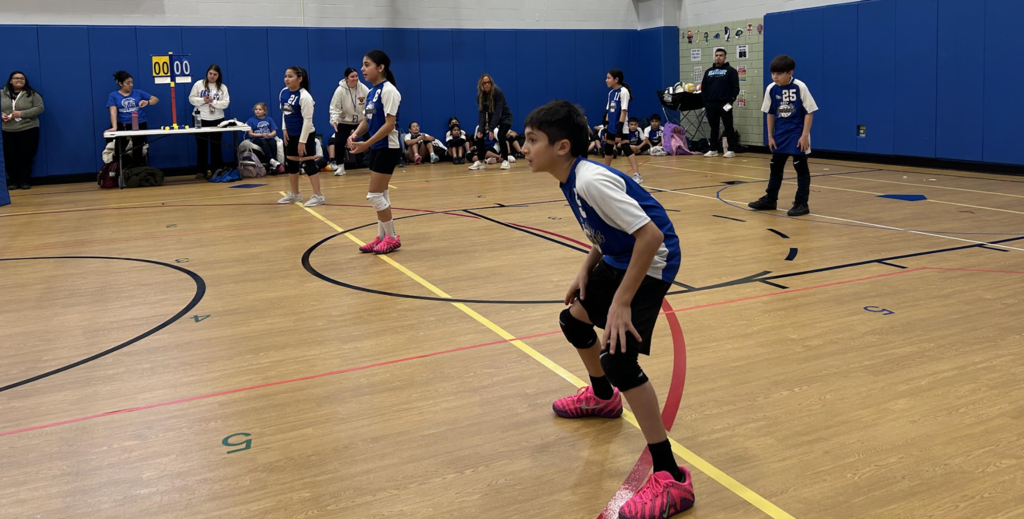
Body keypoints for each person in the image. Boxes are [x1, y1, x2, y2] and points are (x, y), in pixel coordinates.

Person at [522, 100, 694, 519]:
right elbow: (604, 231)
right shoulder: (570, 178)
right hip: (620, 257)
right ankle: (602, 399)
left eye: (531, 140)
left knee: (618, 361)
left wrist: (620, 302)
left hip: (651, 263)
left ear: (561, 146)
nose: (522, 146)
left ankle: (671, 477)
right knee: (573, 320)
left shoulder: (590, 180)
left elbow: (650, 237)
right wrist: (585, 269)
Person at [748, 55, 818, 217]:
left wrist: (805, 135)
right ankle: (770, 199)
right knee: (775, 167)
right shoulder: (771, 88)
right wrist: (770, 136)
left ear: (790, 73)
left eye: (779, 74)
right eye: (773, 73)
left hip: (797, 133)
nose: (775, 77)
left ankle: (802, 203)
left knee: (800, 167)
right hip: (780, 134)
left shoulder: (800, 87)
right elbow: (770, 113)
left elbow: (809, 112)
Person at [348, 50, 403, 255]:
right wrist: (355, 135)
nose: (362, 69)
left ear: (381, 67)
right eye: (362, 64)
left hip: (388, 148)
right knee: (382, 193)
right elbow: (367, 121)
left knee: (374, 196)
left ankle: (392, 237)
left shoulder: (389, 91)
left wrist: (366, 144)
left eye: (367, 64)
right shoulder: (372, 92)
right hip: (378, 148)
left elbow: (389, 125)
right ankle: (381, 237)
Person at [275, 66, 325, 207]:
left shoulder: (305, 97)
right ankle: (295, 194)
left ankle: (318, 195)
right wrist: (284, 129)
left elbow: (308, 121)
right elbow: (285, 113)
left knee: (307, 162)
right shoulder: (283, 93)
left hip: (305, 134)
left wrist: (302, 142)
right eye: (285, 76)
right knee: (291, 162)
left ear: (300, 79)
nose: (287, 79)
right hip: (290, 134)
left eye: (290, 76)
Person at [106, 71, 159, 169]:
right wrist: (114, 127)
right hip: (123, 124)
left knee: (138, 148)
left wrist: (148, 102)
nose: (130, 85)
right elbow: (113, 112)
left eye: (132, 82)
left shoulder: (138, 92)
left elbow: (155, 99)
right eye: (127, 83)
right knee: (119, 150)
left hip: (139, 123)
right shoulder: (113, 95)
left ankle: (137, 171)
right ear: (120, 83)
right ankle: (121, 170)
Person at [1, 71, 44, 190]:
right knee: (10, 157)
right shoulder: (1, 93)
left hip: (28, 129)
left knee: (26, 156)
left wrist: (22, 114)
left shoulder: (32, 94)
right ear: (10, 80)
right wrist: (2, 114)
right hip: (8, 130)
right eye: (16, 78)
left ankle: (25, 181)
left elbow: (39, 108)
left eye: (22, 79)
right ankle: (13, 181)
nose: (19, 80)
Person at [189, 64, 230, 178]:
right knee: (201, 145)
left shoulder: (222, 87)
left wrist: (213, 102)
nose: (212, 76)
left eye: (215, 74)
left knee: (215, 145)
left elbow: (225, 103)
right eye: (210, 73)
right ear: (207, 73)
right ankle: (201, 171)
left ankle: (216, 169)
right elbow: (191, 99)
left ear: (218, 75)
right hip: (200, 118)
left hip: (217, 119)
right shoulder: (199, 84)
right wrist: (203, 100)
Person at [603, 69, 642, 184]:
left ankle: (637, 174)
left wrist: (619, 131)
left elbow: (623, 112)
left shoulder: (624, 92)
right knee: (608, 148)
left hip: (621, 126)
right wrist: (606, 128)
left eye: (609, 78)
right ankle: (606, 172)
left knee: (625, 147)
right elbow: (608, 113)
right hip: (611, 126)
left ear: (616, 79)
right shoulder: (610, 93)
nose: (606, 80)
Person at [328, 67, 369, 176]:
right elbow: (334, 108)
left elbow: (369, 104)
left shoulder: (363, 88)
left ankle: (375, 163)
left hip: (361, 121)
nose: (355, 79)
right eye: (352, 77)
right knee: (339, 142)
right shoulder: (340, 90)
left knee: (371, 139)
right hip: (345, 121)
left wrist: (368, 116)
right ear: (346, 79)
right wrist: (334, 120)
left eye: (356, 76)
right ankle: (340, 167)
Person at [700, 49, 740, 158]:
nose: (718, 57)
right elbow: (704, 87)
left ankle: (731, 149)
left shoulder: (731, 71)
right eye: (716, 55)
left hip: (725, 104)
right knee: (714, 127)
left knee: (728, 126)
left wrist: (730, 101)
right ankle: (713, 149)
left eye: (721, 55)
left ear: (725, 57)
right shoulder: (708, 71)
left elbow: (735, 88)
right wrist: (705, 102)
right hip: (711, 104)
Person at [468, 73, 512, 171]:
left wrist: (491, 129)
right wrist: (481, 129)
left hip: (505, 117)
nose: (487, 85)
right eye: (485, 83)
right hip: (493, 118)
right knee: (479, 135)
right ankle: (481, 161)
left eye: (489, 82)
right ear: (481, 85)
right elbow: (482, 114)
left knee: (501, 135)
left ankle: (505, 161)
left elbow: (498, 112)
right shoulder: (480, 96)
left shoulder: (497, 92)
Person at [244, 102, 281, 170]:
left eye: (260, 109)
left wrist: (268, 135)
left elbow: (274, 131)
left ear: (265, 111)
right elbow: (250, 134)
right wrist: (261, 135)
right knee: (263, 143)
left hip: (267, 136)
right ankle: (271, 160)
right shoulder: (251, 120)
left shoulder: (269, 119)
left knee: (272, 142)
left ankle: (274, 162)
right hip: (257, 138)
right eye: (256, 109)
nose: (257, 111)